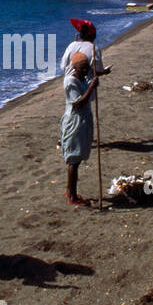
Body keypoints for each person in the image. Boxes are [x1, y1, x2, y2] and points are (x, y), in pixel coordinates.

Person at [61, 52, 99, 206]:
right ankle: (72, 197)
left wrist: (93, 79)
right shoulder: (70, 81)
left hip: (84, 120)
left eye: (86, 67)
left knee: (78, 157)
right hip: (75, 121)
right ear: (74, 67)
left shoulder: (84, 78)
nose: (85, 70)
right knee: (74, 159)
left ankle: (70, 190)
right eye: (82, 68)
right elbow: (78, 103)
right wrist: (91, 87)